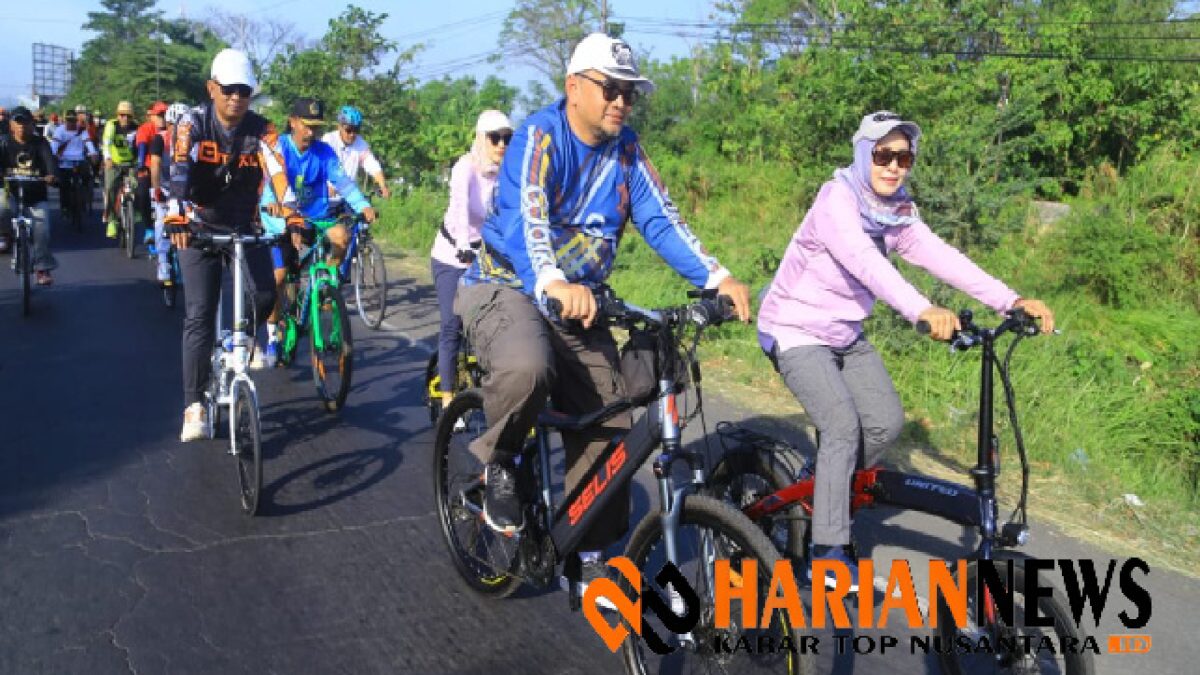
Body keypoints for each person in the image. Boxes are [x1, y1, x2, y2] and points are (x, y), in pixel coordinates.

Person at [456, 33, 752, 592]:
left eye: (630, 94)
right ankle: (500, 461)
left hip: (579, 302)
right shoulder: (541, 136)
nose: (621, 102)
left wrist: (717, 277)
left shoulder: (627, 151)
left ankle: (586, 551)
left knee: (610, 424)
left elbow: (661, 221)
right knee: (527, 368)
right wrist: (551, 280)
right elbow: (528, 220)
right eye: (610, 89)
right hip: (507, 284)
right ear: (574, 87)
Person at [756, 111, 1056, 591]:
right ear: (862, 155)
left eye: (904, 156)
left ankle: (822, 484)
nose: (894, 165)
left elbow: (940, 256)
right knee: (840, 424)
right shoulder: (837, 199)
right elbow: (867, 264)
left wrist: (1010, 300)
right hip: (793, 328)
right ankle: (827, 551)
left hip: (844, 330)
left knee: (884, 422)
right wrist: (921, 309)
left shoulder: (895, 209)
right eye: (883, 155)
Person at [163, 48, 302, 442]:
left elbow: (277, 172)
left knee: (264, 295)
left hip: (244, 226)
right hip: (198, 227)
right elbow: (179, 169)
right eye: (229, 90)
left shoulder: (263, 129)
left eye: (244, 91)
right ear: (212, 88)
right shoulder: (193, 123)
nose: (237, 98)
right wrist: (176, 211)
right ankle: (193, 404)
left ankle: (239, 337)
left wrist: (290, 210)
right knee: (199, 315)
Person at [259, 97, 377, 366]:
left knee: (341, 237)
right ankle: (273, 334)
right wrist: (275, 208)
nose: (311, 133)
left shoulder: (324, 153)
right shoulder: (280, 148)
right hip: (283, 220)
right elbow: (269, 186)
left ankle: (325, 287)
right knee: (278, 278)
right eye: (306, 126)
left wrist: (363, 204)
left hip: (317, 216)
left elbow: (344, 183)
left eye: (316, 127)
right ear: (293, 123)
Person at [429, 109, 512, 408]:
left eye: (506, 138)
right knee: (452, 323)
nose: (501, 145)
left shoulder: (508, 173)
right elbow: (461, 205)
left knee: (499, 322)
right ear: (481, 139)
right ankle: (449, 400)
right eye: (495, 138)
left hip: (487, 256)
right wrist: (464, 244)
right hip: (452, 254)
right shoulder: (465, 167)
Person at [0, 106, 59, 285]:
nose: (21, 127)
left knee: (42, 230)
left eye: (25, 122)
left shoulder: (41, 144)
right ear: (11, 125)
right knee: (1, 209)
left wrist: (51, 176)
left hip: (36, 196)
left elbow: (51, 165)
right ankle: (4, 235)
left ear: (32, 124)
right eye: (18, 123)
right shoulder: (3, 143)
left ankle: (42, 268)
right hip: (11, 192)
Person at [147, 102, 189, 283]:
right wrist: (156, 189)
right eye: (176, 125)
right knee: (160, 223)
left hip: (185, 190)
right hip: (164, 187)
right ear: (169, 124)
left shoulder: (192, 139)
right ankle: (163, 263)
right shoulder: (160, 139)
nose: (180, 128)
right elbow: (155, 164)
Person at [322, 106, 390, 199]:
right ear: (339, 127)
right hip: (327, 195)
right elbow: (320, 167)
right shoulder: (329, 140)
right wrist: (327, 187)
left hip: (349, 196)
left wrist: (383, 185)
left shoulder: (360, 143)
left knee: (371, 212)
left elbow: (373, 165)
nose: (352, 134)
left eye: (356, 130)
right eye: (348, 130)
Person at [49, 111, 98, 216]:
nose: (71, 123)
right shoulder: (59, 130)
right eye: (69, 120)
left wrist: (93, 153)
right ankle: (64, 207)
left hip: (79, 159)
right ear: (65, 120)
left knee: (87, 177)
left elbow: (88, 142)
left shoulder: (81, 130)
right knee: (64, 185)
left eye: (73, 120)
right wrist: (53, 156)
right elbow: (54, 146)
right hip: (64, 161)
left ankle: (84, 199)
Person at [102, 101, 139, 238]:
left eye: (128, 116)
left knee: (138, 185)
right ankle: (112, 220)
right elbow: (107, 143)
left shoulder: (136, 127)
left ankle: (135, 211)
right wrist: (107, 158)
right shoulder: (112, 125)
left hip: (131, 163)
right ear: (118, 115)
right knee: (110, 187)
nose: (125, 118)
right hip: (114, 163)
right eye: (122, 115)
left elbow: (140, 145)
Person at [135, 101, 168, 244]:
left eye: (164, 114)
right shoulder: (146, 128)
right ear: (152, 116)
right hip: (148, 168)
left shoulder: (172, 128)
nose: (162, 118)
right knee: (142, 193)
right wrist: (141, 165)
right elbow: (142, 146)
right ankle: (148, 228)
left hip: (167, 169)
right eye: (159, 115)